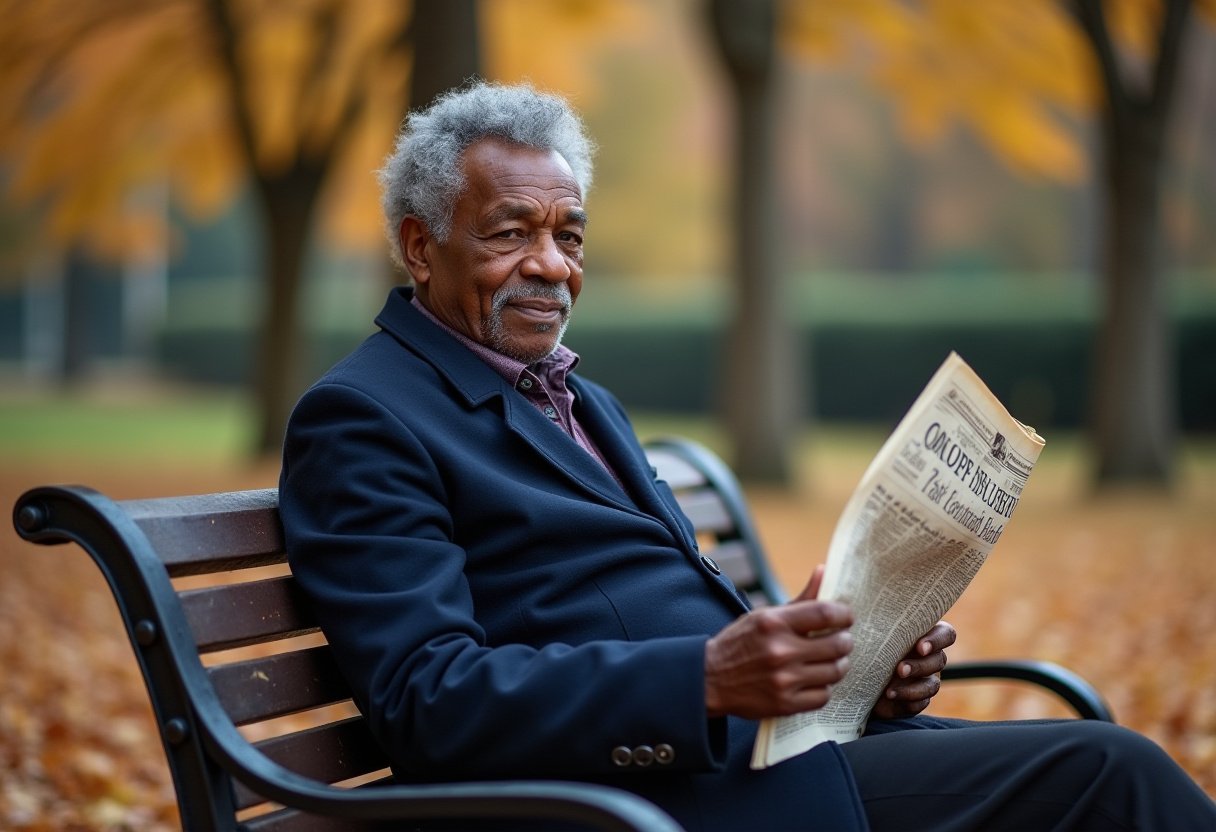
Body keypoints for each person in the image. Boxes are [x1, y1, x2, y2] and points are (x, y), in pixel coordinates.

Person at [279, 81, 1215, 831]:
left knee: (1098, 770)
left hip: (762, 758)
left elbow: (652, 606)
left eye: (568, 236)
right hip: (647, 798)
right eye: (511, 232)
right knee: (1109, 775)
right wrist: (704, 681)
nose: (553, 266)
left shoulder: (579, 399)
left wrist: (851, 674)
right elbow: (426, 700)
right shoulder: (364, 418)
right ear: (419, 246)